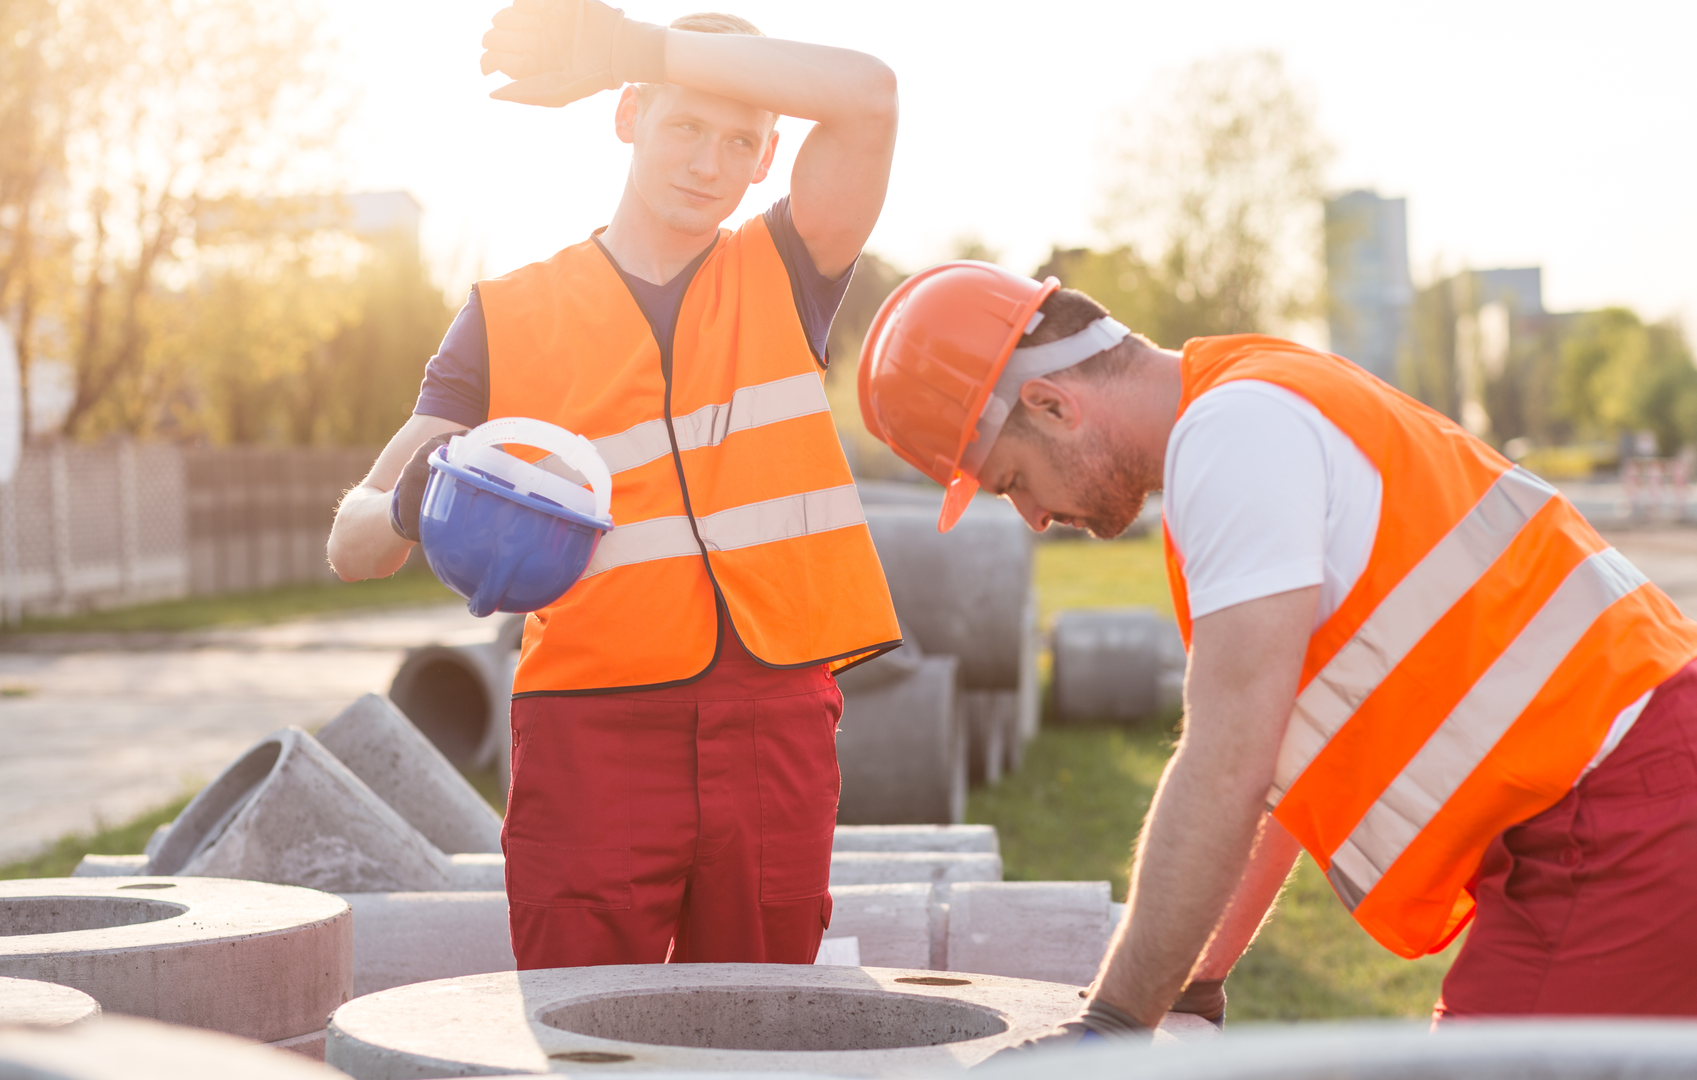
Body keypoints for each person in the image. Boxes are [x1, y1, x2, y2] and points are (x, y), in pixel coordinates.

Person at [856, 261, 1697, 1041]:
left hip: (1622, 811)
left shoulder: (1232, 437)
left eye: (1010, 482)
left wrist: (1112, 1023)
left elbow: (1228, 760)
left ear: (1050, 405)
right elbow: (1276, 767)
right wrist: (1194, 975)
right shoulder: (1251, 399)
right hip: (1628, 788)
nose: (1033, 519)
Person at [327, 1, 902, 969]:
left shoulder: (785, 267)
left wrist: (637, 45)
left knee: (761, 1029)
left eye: (738, 142)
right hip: (588, 731)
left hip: (771, 722)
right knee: (583, 1031)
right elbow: (351, 548)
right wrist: (410, 496)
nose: (707, 163)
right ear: (627, 116)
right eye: (684, 125)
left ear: (767, 160)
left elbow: (869, 97)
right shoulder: (507, 317)